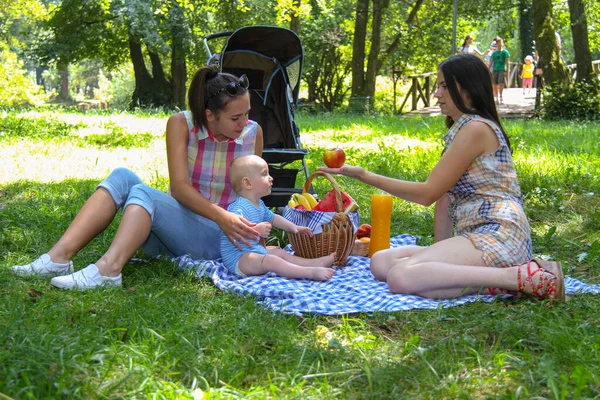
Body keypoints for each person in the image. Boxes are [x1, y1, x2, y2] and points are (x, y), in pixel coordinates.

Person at [319, 54, 565, 301]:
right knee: (381, 262)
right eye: (438, 86)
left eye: (445, 86)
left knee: (400, 277)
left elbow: (428, 194)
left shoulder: (476, 129)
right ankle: (502, 284)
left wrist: (364, 175)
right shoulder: (463, 130)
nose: (437, 94)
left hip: (498, 235)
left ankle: (521, 276)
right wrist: (438, 256)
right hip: (476, 237)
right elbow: (445, 199)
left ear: (468, 89)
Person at [9, 66, 265, 289]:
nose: (245, 122)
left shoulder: (253, 134)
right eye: (236, 117)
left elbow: (256, 193)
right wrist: (221, 215)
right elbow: (178, 189)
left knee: (144, 194)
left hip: (223, 239)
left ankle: (108, 270)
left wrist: (257, 243)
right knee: (122, 177)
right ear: (210, 115)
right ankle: (58, 259)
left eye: (247, 113)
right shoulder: (181, 124)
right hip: (179, 231)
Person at [220, 155, 336, 281]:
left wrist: (294, 228)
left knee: (279, 253)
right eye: (264, 174)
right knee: (271, 261)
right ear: (247, 183)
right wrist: (256, 230)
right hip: (238, 258)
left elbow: (274, 218)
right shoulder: (239, 207)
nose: (271, 178)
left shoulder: (259, 204)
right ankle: (309, 273)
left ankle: (314, 263)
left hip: (253, 252)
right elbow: (234, 229)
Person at [488, 37, 510, 104]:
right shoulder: (494, 53)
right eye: (497, 42)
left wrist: (507, 70)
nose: (498, 43)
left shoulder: (505, 52)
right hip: (495, 69)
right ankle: (496, 97)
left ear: (502, 43)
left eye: (499, 42)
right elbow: (491, 62)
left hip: (502, 69)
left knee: (501, 83)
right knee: (494, 83)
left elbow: (507, 61)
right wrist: (488, 69)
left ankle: (501, 96)